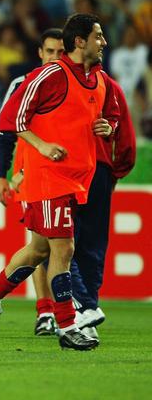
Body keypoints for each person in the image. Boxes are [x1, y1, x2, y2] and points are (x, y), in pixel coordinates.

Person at [0, 13, 119, 351]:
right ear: (80, 41)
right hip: (47, 176)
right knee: (64, 248)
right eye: (98, 36)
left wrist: (107, 128)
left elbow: (111, 114)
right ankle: (68, 325)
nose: (104, 42)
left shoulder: (99, 79)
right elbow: (12, 118)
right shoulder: (51, 75)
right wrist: (41, 146)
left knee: (39, 249)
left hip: (77, 179)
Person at [0, 28, 65, 336]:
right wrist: (1, 175)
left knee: (47, 245)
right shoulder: (23, 84)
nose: (55, 58)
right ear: (40, 53)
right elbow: (5, 131)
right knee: (46, 243)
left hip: (64, 172)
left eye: (60, 53)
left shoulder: (72, 83)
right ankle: (49, 312)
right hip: (32, 172)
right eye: (50, 52)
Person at [71, 77, 136, 340]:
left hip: (69, 169)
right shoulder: (109, 86)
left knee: (60, 243)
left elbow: (126, 139)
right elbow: (127, 142)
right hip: (97, 170)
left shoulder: (55, 82)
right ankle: (85, 313)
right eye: (97, 36)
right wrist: (114, 173)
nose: (102, 44)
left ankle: (81, 310)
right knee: (89, 247)